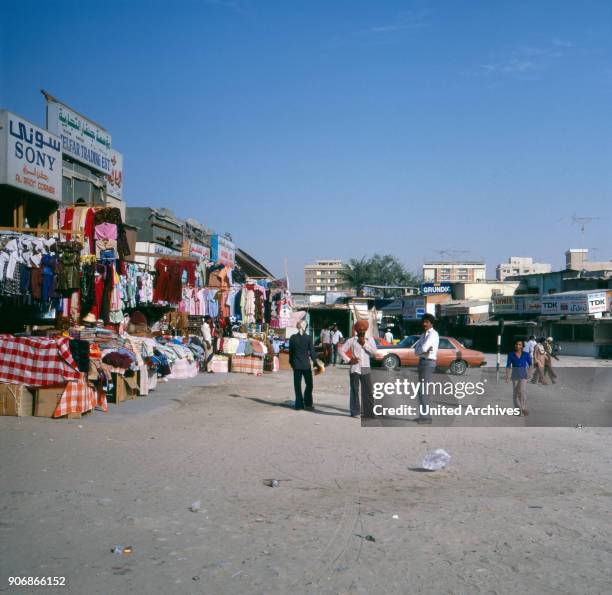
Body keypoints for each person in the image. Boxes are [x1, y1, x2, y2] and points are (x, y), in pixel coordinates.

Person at [340, 320, 377, 417]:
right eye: (359, 329)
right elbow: (341, 350)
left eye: (363, 329)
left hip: (366, 368)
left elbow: (374, 352)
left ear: (366, 329)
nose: (361, 331)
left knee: (368, 391)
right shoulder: (351, 340)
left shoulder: (370, 340)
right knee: (354, 390)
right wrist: (349, 360)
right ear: (356, 330)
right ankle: (355, 411)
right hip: (354, 368)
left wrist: (364, 343)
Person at [412, 313, 439, 424]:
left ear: (431, 323)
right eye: (423, 322)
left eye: (427, 322)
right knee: (421, 390)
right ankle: (423, 415)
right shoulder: (424, 335)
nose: (424, 324)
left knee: (424, 390)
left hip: (428, 363)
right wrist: (422, 351)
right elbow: (416, 350)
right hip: (422, 361)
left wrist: (422, 350)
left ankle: (426, 417)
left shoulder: (434, 334)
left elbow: (422, 347)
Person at [289, 320, 319, 411]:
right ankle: (308, 403)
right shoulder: (309, 338)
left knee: (297, 385)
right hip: (306, 365)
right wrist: (316, 363)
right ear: (305, 327)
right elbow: (312, 352)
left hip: (296, 365)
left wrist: (292, 364)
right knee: (309, 384)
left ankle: (298, 405)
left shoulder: (292, 338)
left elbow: (291, 353)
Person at [505, 339, 532, 416]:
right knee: (516, 393)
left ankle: (523, 408)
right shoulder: (511, 354)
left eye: (520, 344)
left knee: (522, 392)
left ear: (522, 346)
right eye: (516, 344)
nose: (518, 346)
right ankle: (518, 409)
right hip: (515, 375)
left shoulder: (526, 354)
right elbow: (508, 366)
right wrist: (507, 376)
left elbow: (530, 364)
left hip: (523, 375)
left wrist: (530, 374)